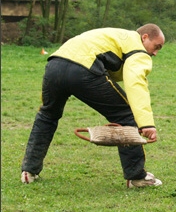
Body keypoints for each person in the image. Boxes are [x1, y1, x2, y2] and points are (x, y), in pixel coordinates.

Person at [21, 24, 166, 188]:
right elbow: (136, 83)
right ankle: (137, 177)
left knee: (47, 115)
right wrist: (146, 123)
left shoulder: (117, 35)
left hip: (55, 65)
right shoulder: (137, 49)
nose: (155, 53)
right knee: (126, 115)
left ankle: (29, 171)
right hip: (83, 69)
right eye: (156, 47)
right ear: (144, 37)